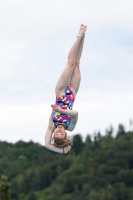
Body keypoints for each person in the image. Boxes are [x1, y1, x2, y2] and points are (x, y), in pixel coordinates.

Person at [45, 24, 87, 154]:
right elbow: (75, 114)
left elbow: (47, 145)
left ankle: (79, 36)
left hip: (61, 91)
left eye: (56, 134)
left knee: (70, 62)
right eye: (60, 134)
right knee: (77, 62)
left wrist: (62, 151)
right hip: (72, 93)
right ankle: (83, 36)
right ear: (65, 135)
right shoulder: (70, 126)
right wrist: (61, 110)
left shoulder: (52, 124)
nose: (58, 131)